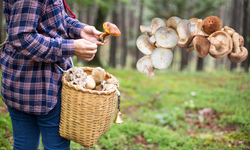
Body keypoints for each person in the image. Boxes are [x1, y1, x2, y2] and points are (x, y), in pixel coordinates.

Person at [1, 0, 107, 149]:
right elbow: (22, 37)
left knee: (24, 144)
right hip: (44, 87)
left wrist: (81, 30)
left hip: (18, 82)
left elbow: (55, 18)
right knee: (54, 146)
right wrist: (70, 47)